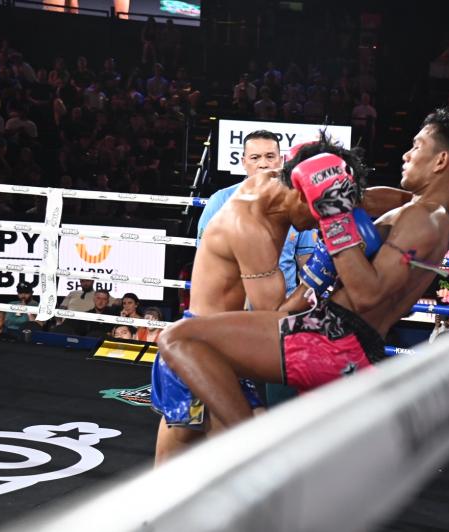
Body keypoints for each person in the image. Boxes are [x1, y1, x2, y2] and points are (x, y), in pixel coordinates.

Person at [157, 108, 449, 432]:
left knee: (180, 338)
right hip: (342, 340)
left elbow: (368, 293)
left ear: (441, 161)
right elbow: (366, 201)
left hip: (332, 340)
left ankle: (253, 441)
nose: (406, 155)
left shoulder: (425, 219)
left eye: (417, 146)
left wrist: (334, 219)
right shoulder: (422, 211)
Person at [151, 131, 369, 464]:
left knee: (186, 458)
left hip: (226, 343)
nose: (319, 225)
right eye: (321, 214)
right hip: (201, 349)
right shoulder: (248, 226)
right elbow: (273, 320)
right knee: (244, 457)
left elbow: (357, 196)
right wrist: (322, 271)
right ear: (302, 194)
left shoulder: (279, 184)